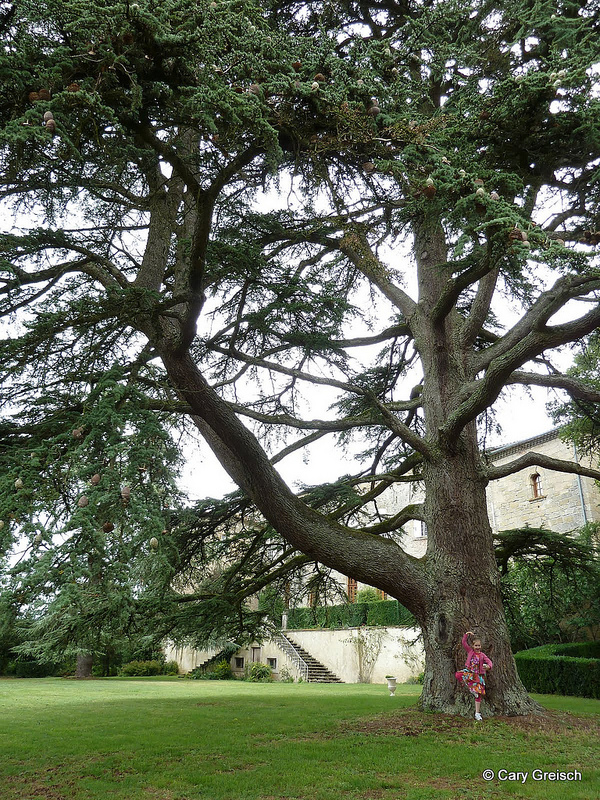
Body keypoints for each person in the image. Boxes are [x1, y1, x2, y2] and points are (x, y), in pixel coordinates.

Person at [455, 630, 493, 720]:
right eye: (476, 645)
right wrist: (466, 635)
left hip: (478, 675)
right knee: (458, 674)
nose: (477, 647)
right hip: (470, 672)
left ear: (481, 646)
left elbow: (489, 662)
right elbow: (464, 643)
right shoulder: (470, 652)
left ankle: (477, 713)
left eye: (479, 645)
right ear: (473, 646)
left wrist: (488, 666)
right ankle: (470, 688)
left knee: (478, 695)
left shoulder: (482, 655)